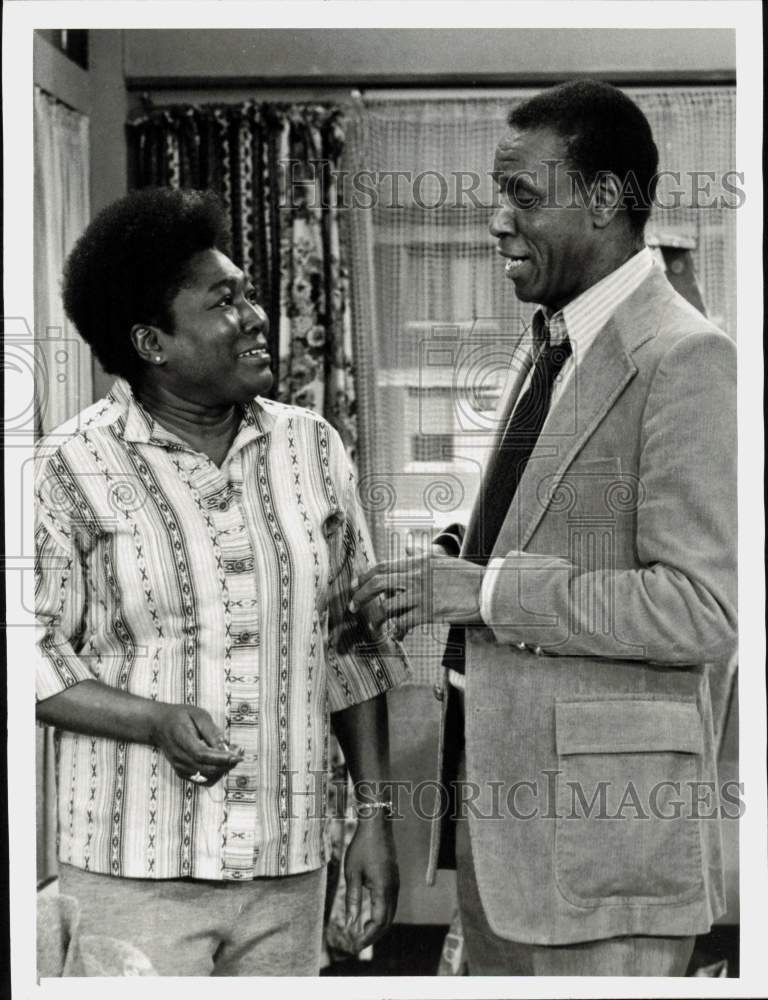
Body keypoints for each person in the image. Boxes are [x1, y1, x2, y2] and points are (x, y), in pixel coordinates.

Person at [352, 80, 737, 976]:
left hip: (605, 859)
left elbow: (701, 608)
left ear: (604, 199)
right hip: (510, 844)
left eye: (522, 196)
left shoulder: (688, 359)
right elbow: (554, 522)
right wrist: (450, 563)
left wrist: (484, 591)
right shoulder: (551, 339)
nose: (495, 221)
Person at [35, 187, 408, 977]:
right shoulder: (67, 468)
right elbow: (27, 659)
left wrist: (373, 822)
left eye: (248, 293)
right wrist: (153, 721)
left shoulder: (312, 449)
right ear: (152, 342)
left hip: (289, 861)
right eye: (224, 301)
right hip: (130, 867)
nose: (254, 315)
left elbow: (354, 650)